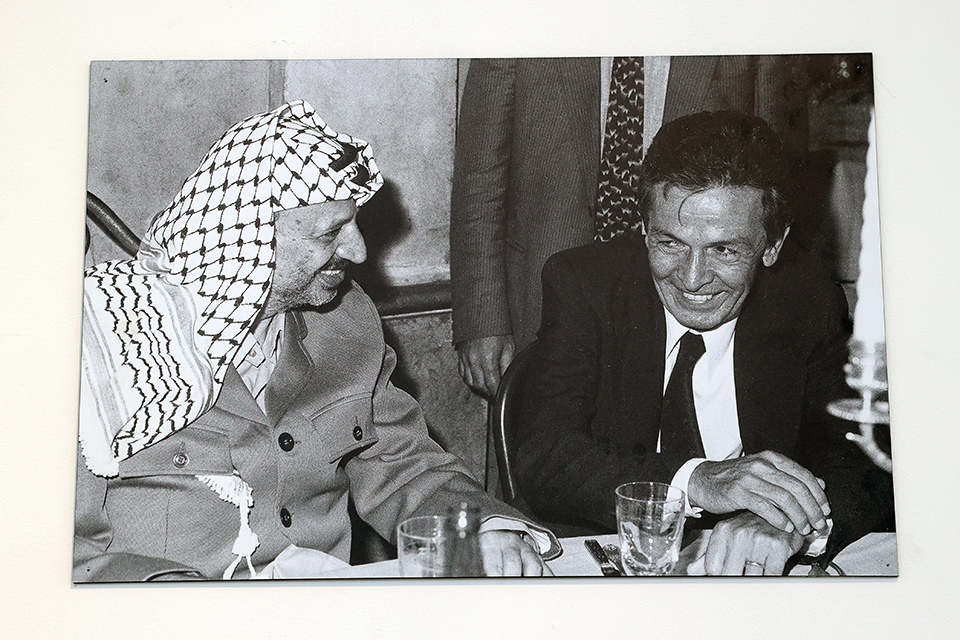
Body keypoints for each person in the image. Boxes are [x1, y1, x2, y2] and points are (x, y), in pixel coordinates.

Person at [74, 101, 557, 582]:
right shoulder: (103, 339)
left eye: (354, 224)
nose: (358, 251)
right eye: (330, 234)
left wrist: (478, 526)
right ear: (249, 239)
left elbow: (402, 463)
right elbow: (65, 551)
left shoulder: (346, 321)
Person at [513, 110, 894, 575]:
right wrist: (696, 480)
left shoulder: (806, 298)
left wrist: (793, 523)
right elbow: (544, 454)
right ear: (644, 228)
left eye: (724, 250)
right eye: (670, 243)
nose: (692, 279)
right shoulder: (585, 284)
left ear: (772, 245)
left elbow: (863, 452)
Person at [450, 56, 786, 398]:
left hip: (687, 297)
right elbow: (479, 176)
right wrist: (482, 319)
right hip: (541, 295)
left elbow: (770, 175)